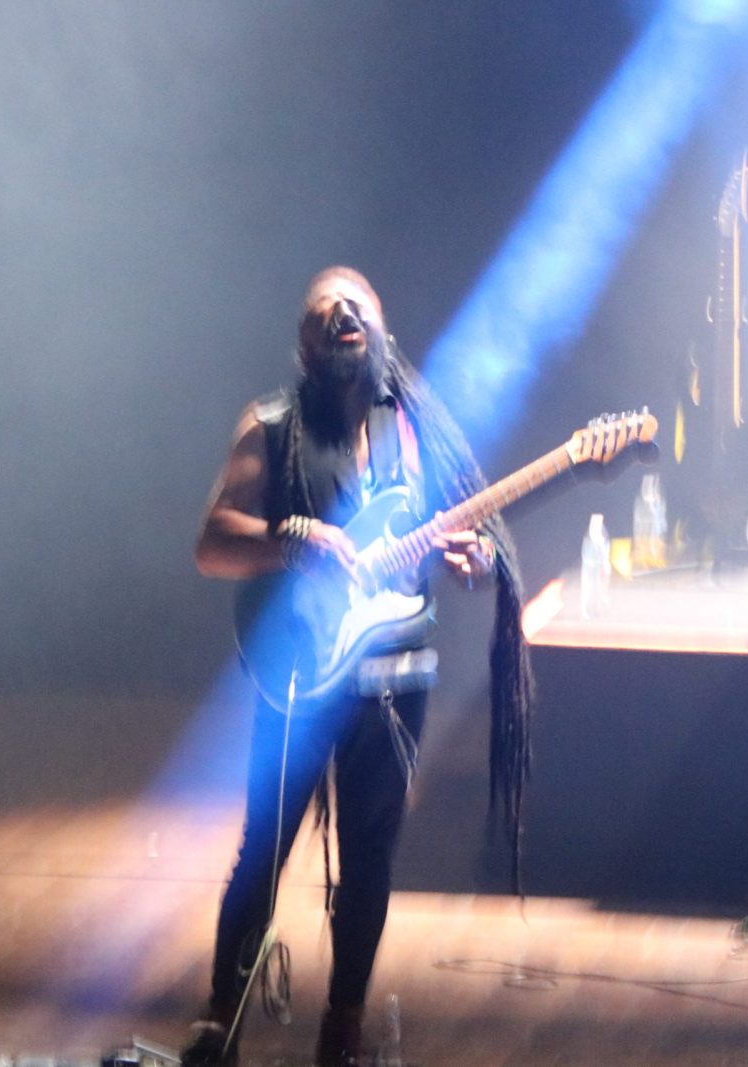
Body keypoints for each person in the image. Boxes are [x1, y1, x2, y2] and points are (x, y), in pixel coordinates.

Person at [182, 267, 534, 1066]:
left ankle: (343, 1028)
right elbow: (212, 544)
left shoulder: (418, 425)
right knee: (266, 845)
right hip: (303, 669)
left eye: (357, 304)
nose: (342, 312)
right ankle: (221, 1018)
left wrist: (473, 560)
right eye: (324, 310)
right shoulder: (273, 423)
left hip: (396, 671)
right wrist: (292, 541)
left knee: (371, 855)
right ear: (305, 345)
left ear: (382, 326)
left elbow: (459, 541)